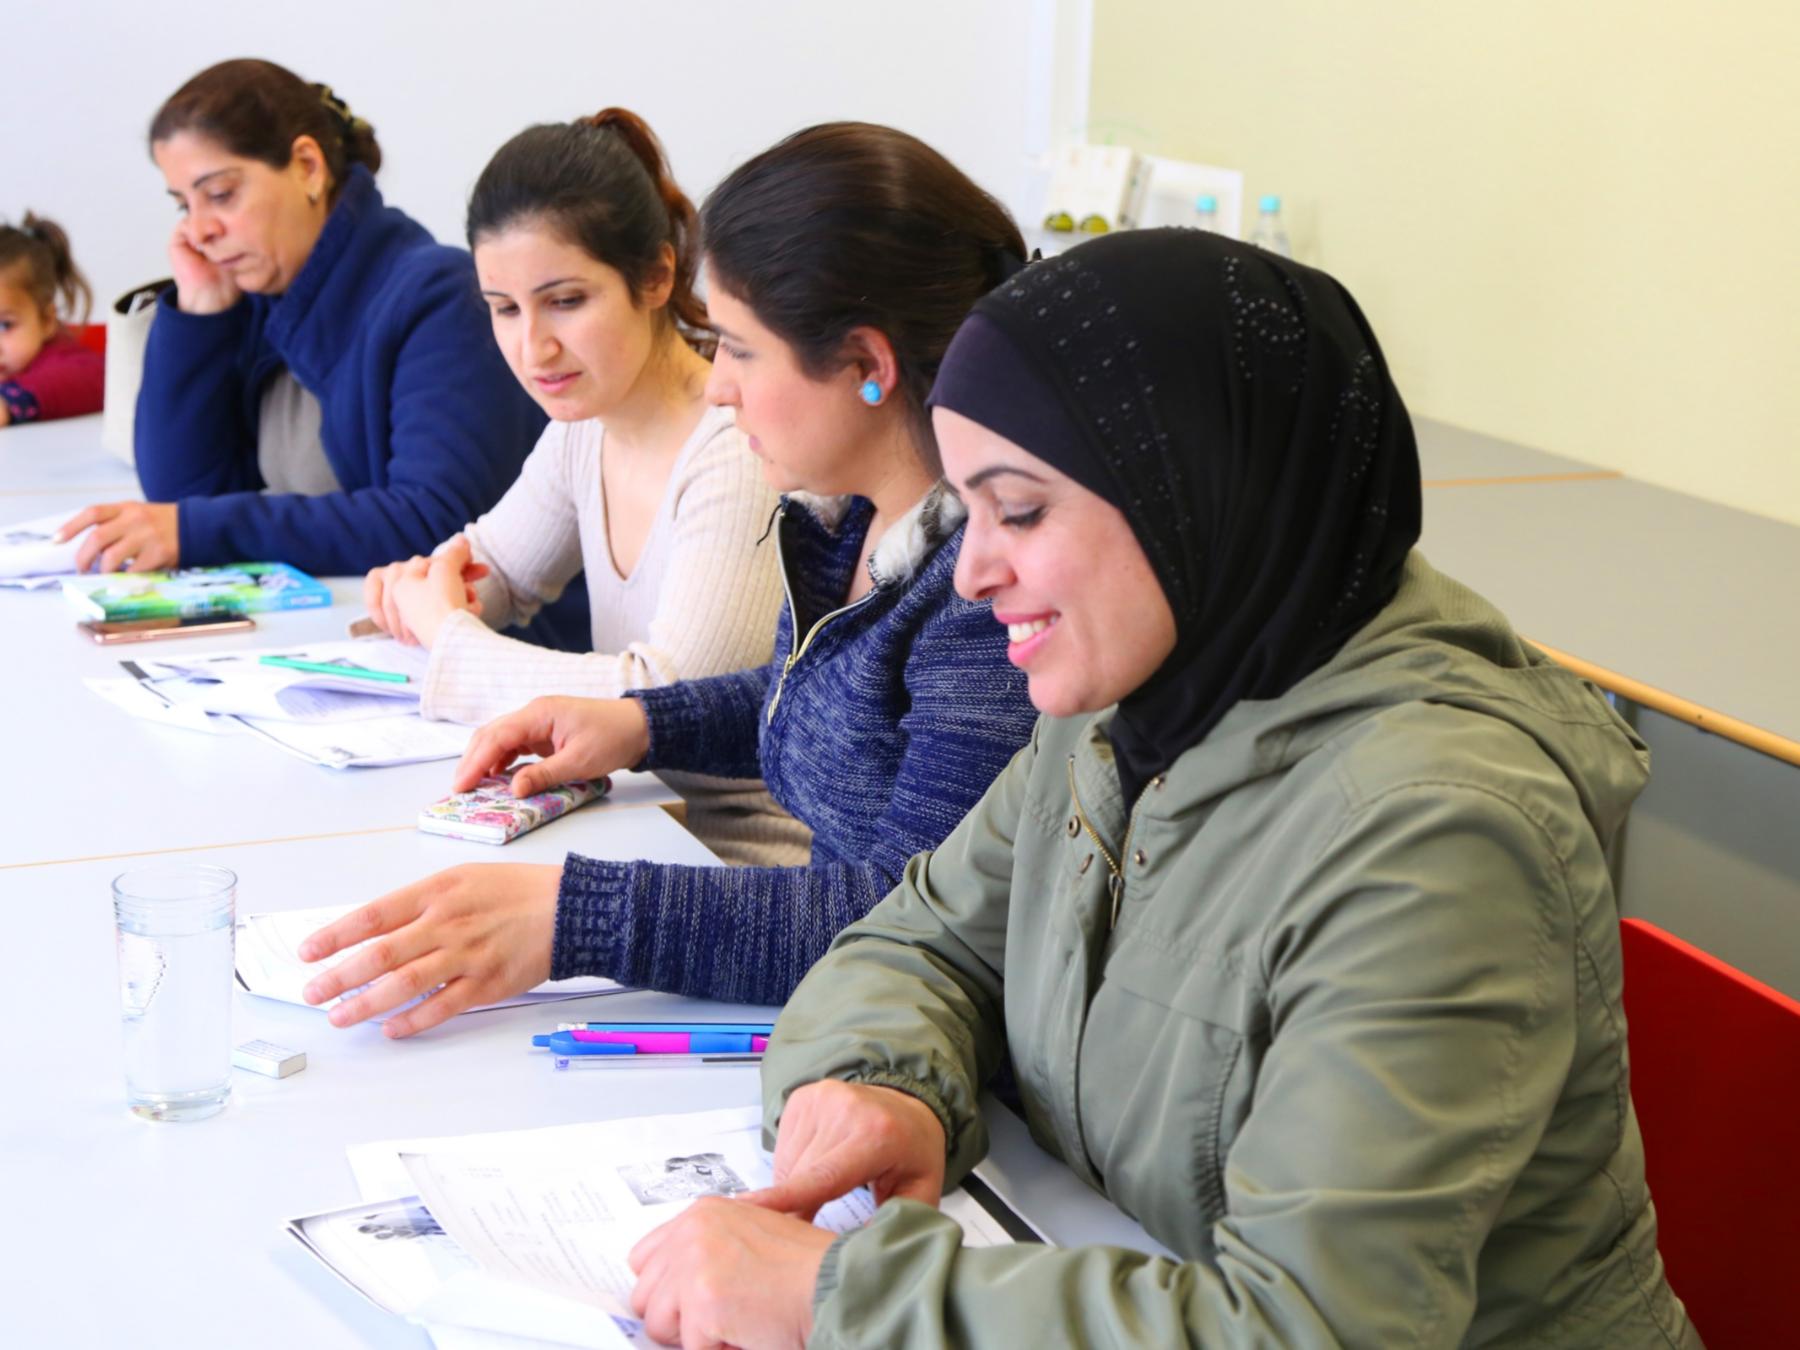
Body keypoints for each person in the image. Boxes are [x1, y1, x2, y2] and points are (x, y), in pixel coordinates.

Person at [621, 230, 1701, 1349]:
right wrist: (884, 1084)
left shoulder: (1439, 834)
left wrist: (838, 1296)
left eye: (1019, 511)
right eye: (966, 510)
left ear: (1197, 493)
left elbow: (1308, 1330)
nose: (974, 573)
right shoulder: (1126, 704)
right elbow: (925, 940)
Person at [295, 123, 1042, 1035]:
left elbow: (903, 915)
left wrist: (577, 917)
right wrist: (644, 722)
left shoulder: (986, 598)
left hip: (896, 1043)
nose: (719, 387)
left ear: (866, 367)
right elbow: (826, 701)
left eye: (739, 349)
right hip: (842, 1016)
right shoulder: (844, 518)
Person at [360, 109, 804, 865]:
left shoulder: (735, 450)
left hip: (736, 858)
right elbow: (495, 571)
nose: (533, 348)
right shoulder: (584, 426)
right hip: (625, 823)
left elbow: (663, 695)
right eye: (505, 309)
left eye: (566, 301)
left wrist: (448, 635)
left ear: (656, 276)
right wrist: (426, 593)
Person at [56, 59, 547, 585]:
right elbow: (182, 497)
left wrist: (200, 530)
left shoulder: (438, 296)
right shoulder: (254, 295)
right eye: (184, 206)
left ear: (308, 167)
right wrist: (200, 311)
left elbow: (435, 522)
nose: (199, 231)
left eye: (220, 195)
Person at [0, 213, 103, 427]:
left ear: (46, 320)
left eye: (4, 325)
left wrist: (11, 401)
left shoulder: (59, 358)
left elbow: (96, 376)